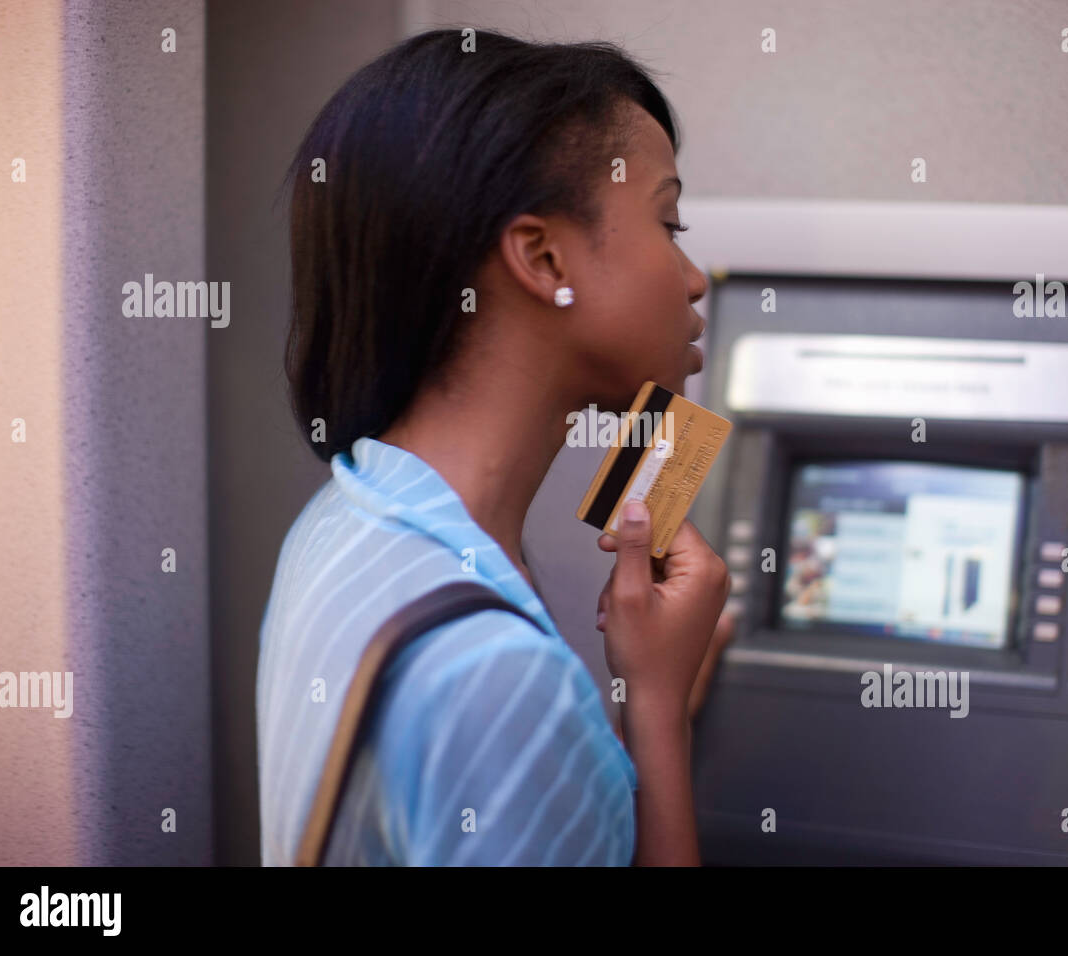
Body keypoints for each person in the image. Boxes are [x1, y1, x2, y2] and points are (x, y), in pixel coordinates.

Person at [256, 27, 733, 866]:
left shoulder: (347, 514)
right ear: (545, 259)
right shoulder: (500, 679)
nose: (694, 278)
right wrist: (652, 716)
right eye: (669, 221)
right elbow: (496, 716)